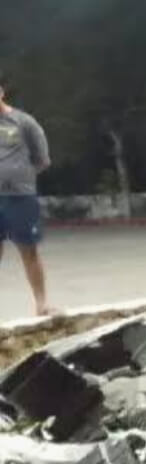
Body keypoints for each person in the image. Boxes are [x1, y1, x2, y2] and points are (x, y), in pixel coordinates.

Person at [0, 79, 55, 316]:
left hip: (20, 197)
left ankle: (41, 305)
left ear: (1, 92)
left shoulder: (24, 122)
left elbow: (42, 159)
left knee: (29, 251)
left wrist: (19, 176)